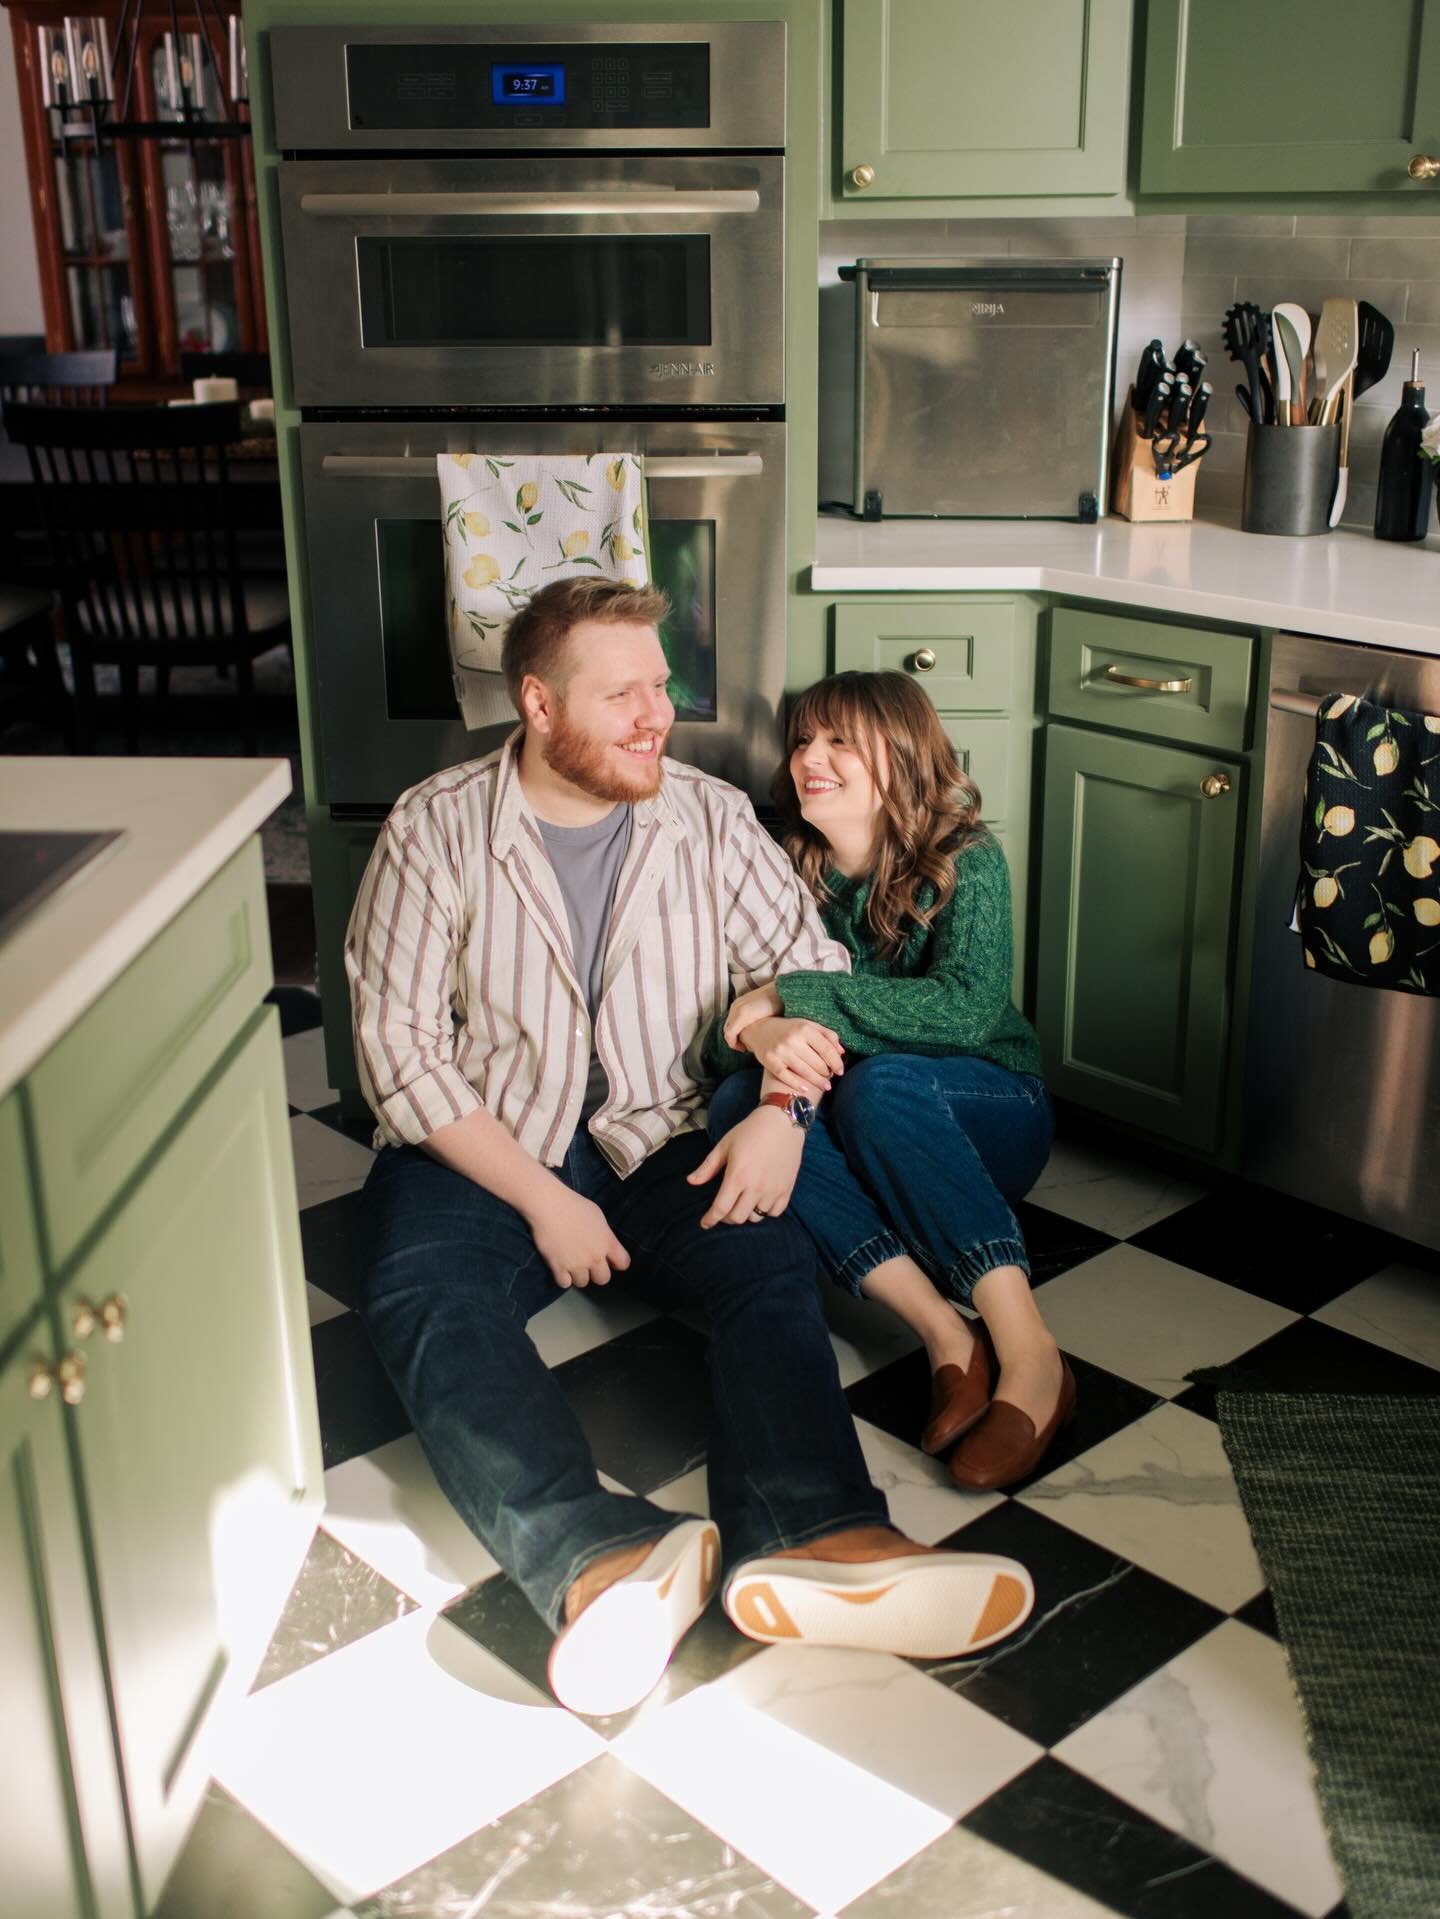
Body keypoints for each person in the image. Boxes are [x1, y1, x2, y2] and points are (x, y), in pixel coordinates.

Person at [345, 578, 1034, 1719]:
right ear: (539, 704)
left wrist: (782, 1114)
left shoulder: (710, 817)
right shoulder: (434, 827)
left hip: (662, 1129)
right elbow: (400, 1051)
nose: (656, 714)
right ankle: (600, 1555)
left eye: (660, 686)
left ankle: (815, 1534)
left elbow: (812, 973)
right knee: (421, 1291)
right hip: (490, 1135)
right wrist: (545, 1200)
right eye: (622, 694)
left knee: (771, 1264)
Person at [707, 669, 1072, 1490]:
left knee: (882, 1085)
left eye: (840, 740)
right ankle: (945, 1333)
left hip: (990, 1110)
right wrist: (762, 1028)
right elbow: (723, 1032)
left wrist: (794, 994)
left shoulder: (965, 859)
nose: (810, 757)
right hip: (859, 1124)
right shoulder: (778, 865)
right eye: (803, 739)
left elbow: (966, 1009)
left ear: (902, 754)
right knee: (737, 1106)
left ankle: (1030, 1351)